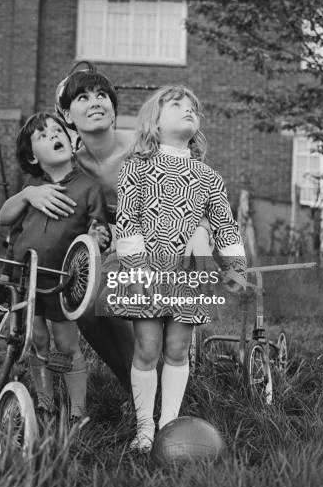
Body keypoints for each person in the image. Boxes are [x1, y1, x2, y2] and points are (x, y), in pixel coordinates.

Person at [23, 63, 213, 393]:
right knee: (87, 307)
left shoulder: (145, 150)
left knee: (142, 300)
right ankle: (136, 385)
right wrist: (30, 192)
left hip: (163, 245)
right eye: (82, 97)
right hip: (112, 252)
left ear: (113, 111)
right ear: (67, 117)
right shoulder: (70, 164)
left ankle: (168, 368)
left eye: (102, 96)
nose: (95, 101)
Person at [111, 86, 247, 451]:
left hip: (188, 276)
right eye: (177, 106)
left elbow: (224, 225)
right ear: (154, 121)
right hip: (147, 273)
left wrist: (235, 266)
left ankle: (168, 423)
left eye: (193, 108)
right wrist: (137, 270)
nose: (189, 110)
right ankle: (144, 427)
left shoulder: (209, 177)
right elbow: (127, 221)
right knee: (147, 347)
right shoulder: (135, 168)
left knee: (177, 347)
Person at [0, 112, 110, 421]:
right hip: (24, 275)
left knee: (65, 342)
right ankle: (45, 401)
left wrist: (97, 236)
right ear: (32, 157)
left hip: (64, 281)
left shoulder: (88, 186)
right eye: (42, 136)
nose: (53, 136)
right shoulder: (31, 186)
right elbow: (4, 218)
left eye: (57, 131)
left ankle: (77, 410)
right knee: (37, 338)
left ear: (72, 141)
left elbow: (100, 230)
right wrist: (26, 195)